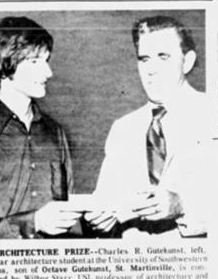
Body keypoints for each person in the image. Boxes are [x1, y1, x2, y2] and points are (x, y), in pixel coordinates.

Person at [86, 15, 210, 238]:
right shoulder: (122, 129)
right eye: (144, 59)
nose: (151, 70)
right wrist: (97, 219)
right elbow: (104, 201)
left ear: (188, 61)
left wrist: (182, 205)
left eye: (163, 57)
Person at [0, 16, 79, 239]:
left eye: (46, 61)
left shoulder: (55, 132)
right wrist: (33, 223)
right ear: (4, 65)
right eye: (36, 61)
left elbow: (70, 211)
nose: (49, 72)